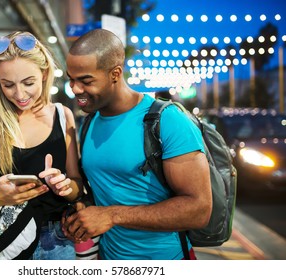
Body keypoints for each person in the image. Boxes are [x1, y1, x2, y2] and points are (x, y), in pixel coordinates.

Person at [63, 29, 212, 260]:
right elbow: (110, 190)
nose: (75, 89)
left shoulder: (168, 120)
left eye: (86, 81)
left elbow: (199, 209)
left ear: (115, 73)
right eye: (71, 79)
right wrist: (83, 209)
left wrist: (111, 215)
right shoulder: (89, 122)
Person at [0, 31, 83, 260]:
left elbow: (77, 186)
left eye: (28, 83)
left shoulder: (63, 116)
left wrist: (65, 186)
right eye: (8, 84)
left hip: (57, 242)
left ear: (44, 73)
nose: (19, 94)